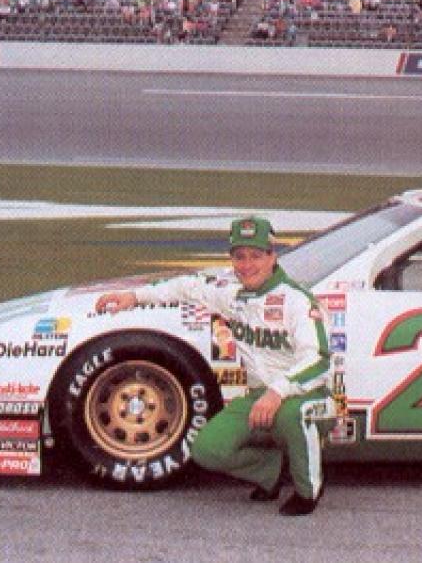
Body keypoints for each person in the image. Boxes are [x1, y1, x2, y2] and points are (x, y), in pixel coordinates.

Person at [95, 216, 331, 516]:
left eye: (256, 256)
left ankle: (308, 491)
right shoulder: (231, 293)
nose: (247, 265)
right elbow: (186, 286)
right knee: (207, 449)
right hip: (259, 397)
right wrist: (134, 296)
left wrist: (277, 392)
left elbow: (319, 360)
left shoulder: (297, 300)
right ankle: (272, 471)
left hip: (308, 397)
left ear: (273, 256)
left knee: (291, 414)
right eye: (239, 256)